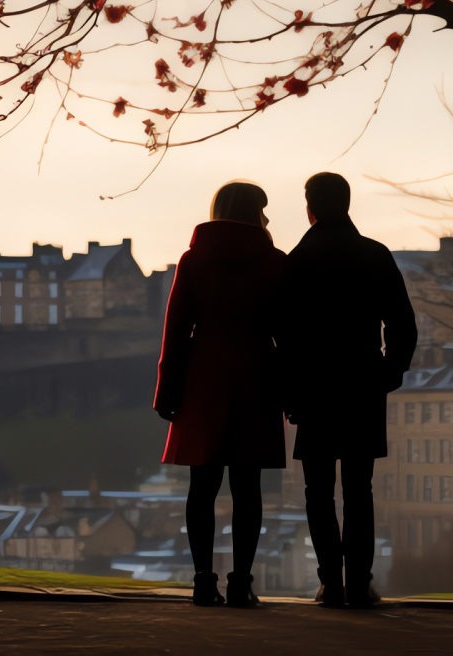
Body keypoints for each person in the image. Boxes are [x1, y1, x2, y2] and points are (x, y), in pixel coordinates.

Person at [279, 171, 417, 608]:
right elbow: (402, 323)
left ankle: (329, 582)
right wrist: (390, 372)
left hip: (314, 385)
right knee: (360, 489)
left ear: (310, 209)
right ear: (348, 203)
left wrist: (291, 390)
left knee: (317, 491)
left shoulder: (297, 260)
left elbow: (281, 333)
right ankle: (359, 581)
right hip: (362, 381)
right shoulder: (374, 254)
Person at [153, 180, 288, 607]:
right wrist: (289, 391)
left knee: (202, 485)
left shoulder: (194, 260)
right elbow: (288, 335)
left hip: (202, 375)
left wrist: (166, 390)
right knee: (247, 487)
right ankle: (241, 582)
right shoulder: (274, 262)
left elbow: (174, 331)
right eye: (263, 210)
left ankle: (202, 581)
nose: (267, 219)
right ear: (253, 213)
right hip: (255, 372)